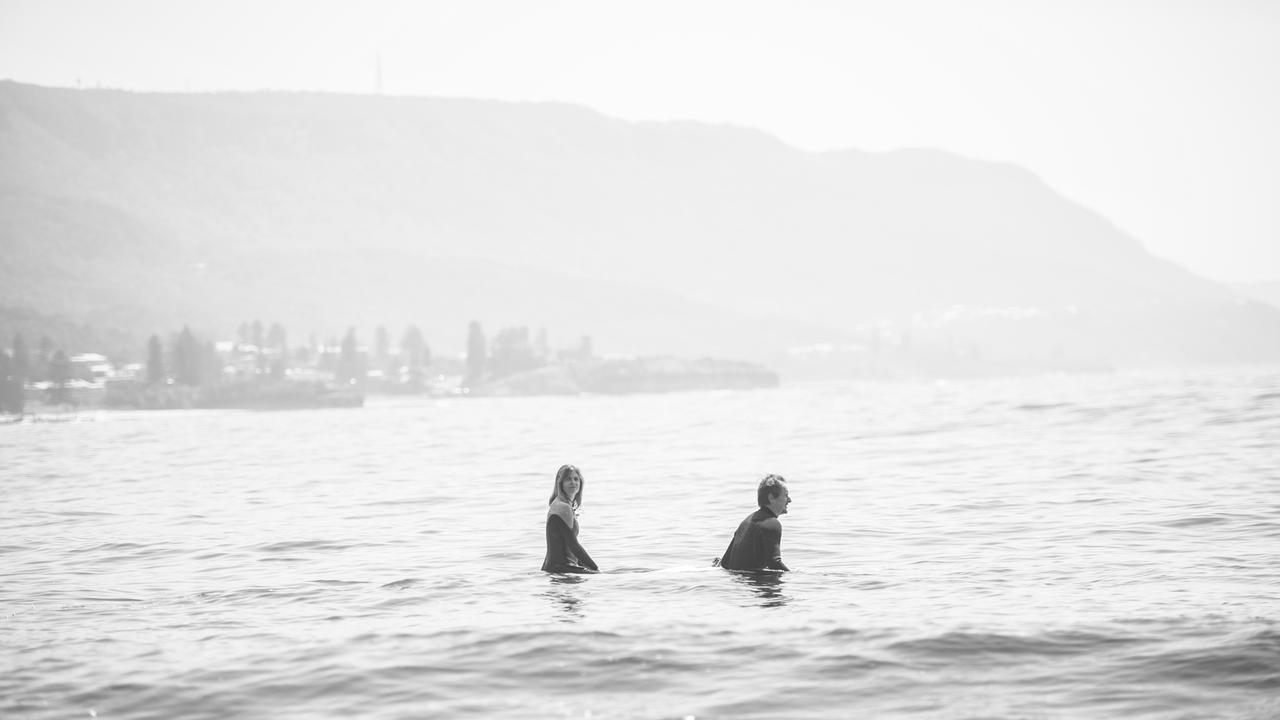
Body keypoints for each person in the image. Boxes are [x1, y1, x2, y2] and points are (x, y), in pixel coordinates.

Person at [717, 474, 791, 571]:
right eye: (785, 495)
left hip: (738, 584)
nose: (789, 500)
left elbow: (725, 563)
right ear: (771, 497)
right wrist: (795, 578)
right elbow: (774, 563)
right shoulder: (771, 524)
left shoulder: (746, 521)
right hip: (755, 584)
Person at [541, 464, 599, 574]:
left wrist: (587, 567)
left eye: (576, 479)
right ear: (560, 483)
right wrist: (596, 569)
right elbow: (573, 545)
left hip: (555, 567)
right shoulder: (563, 507)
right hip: (562, 568)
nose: (573, 482)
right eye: (568, 479)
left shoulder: (559, 504)